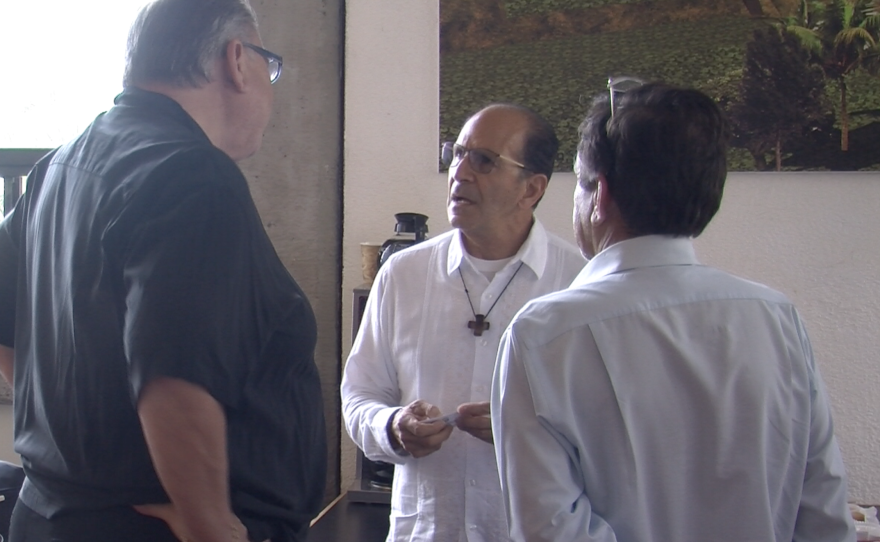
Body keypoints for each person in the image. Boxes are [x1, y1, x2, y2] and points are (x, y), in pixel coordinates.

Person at [0, 0, 326, 540]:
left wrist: (78, 443)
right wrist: (209, 524)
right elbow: (176, 376)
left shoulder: (61, 164)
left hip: (52, 515)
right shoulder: (194, 174)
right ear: (237, 60)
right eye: (270, 69)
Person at [491, 81, 855, 542]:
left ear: (599, 195)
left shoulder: (543, 335)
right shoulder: (777, 317)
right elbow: (824, 513)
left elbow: (548, 532)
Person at [341, 103, 584, 541]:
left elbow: (609, 435)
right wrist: (393, 427)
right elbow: (359, 396)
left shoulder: (578, 285)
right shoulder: (403, 275)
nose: (460, 173)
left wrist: (524, 432)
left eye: (484, 160)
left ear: (531, 189)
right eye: (456, 153)